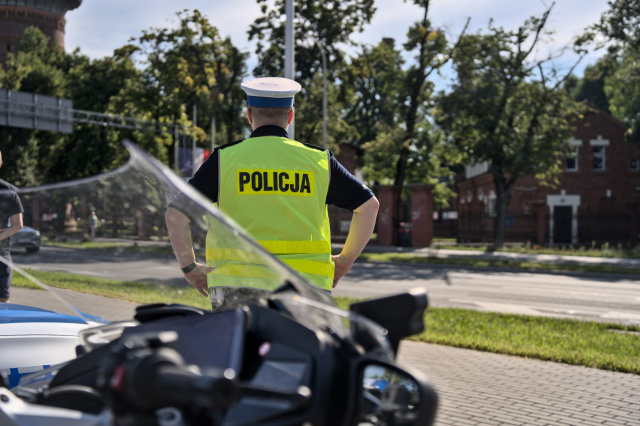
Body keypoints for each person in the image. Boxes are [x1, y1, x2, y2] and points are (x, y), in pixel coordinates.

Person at [165, 77, 379, 304]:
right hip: (306, 289)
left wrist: (190, 268)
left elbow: (175, 216)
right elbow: (369, 206)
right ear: (290, 116)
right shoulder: (319, 161)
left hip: (236, 288)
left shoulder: (224, 160)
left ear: (249, 115)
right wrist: (345, 260)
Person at [0, 150, 24, 303]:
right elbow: (17, 225)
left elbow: (18, 225)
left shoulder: (10, 192)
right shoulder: (10, 191)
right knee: (3, 301)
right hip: (2, 252)